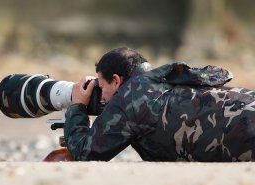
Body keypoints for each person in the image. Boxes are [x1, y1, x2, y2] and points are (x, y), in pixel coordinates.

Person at [64, 47, 255, 161]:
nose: (101, 94)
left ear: (116, 81)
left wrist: (77, 106)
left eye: (101, 86)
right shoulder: (166, 77)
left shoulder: (130, 97)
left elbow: (85, 152)